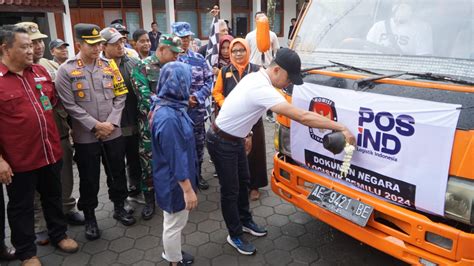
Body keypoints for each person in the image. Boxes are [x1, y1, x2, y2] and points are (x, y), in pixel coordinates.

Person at [206, 48, 356, 255]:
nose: (289, 84)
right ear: (276, 70)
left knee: (244, 181)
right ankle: (235, 234)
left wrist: (246, 133)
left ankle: (246, 221)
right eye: (289, 78)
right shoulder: (262, 88)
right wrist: (339, 127)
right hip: (221, 141)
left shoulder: (256, 77)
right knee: (230, 190)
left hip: (235, 138)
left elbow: (242, 107)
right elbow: (302, 116)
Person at [0, 25, 79, 266]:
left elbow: (54, 103)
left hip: (50, 153)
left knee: (53, 198)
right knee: (21, 208)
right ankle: (27, 252)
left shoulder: (40, 72)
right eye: (24, 46)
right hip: (19, 161)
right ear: (5, 49)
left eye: (32, 45)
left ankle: (59, 235)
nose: (32, 50)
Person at [55, 23, 136, 241]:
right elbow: (69, 105)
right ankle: (90, 217)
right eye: (91, 45)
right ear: (79, 44)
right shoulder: (67, 70)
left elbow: (121, 96)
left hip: (113, 133)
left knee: (117, 173)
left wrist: (110, 123)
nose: (97, 48)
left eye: (99, 43)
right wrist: (95, 125)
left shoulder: (110, 66)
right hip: (86, 137)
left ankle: (119, 207)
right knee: (89, 178)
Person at [15, 22, 85, 247]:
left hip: (56, 135)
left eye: (38, 41)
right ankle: (40, 226)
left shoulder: (43, 70)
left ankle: (66, 211)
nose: (36, 47)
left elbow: (56, 101)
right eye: (30, 43)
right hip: (26, 145)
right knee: (33, 192)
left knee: (61, 180)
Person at [130, 34, 183, 220]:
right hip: (150, 126)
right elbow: (145, 97)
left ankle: (169, 196)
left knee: (171, 160)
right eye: (173, 52)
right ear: (161, 49)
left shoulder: (176, 67)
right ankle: (149, 200)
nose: (177, 56)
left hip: (172, 124)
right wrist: (170, 104)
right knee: (148, 164)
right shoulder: (142, 67)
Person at [151, 61, 198, 266]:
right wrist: (187, 189)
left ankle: (173, 252)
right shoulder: (168, 117)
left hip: (174, 177)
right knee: (174, 223)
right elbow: (175, 156)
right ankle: (173, 260)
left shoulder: (171, 105)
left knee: (173, 221)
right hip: (174, 182)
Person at [212, 38, 266, 201]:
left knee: (255, 152)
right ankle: (238, 185)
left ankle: (254, 186)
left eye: (241, 50)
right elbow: (217, 92)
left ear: (247, 51)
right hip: (233, 121)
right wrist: (224, 103)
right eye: (234, 51)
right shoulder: (224, 71)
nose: (237, 54)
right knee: (234, 151)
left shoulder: (257, 70)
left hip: (253, 118)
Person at [100, 27, 143, 205]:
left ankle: (137, 188)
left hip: (133, 121)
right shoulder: (98, 67)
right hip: (111, 126)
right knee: (115, 165)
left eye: (121, 42)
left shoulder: (134, 63)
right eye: (115, 43)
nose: (120, 46)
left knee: (136, 159)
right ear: (103, 46)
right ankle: (120, 199)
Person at [172, 22, 214, 190]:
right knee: (178, 146)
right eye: (181, 37)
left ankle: (197, 175)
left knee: (198, 144)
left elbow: (209, 81)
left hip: (196, 111)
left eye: (187, 37)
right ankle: (181, 179)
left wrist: (197, 96)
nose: (185, 40)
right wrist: (183, 100)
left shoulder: (198, 59)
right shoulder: (169, 60)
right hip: (176, 112)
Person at [0, 25, 17, 263]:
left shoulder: (35, 73)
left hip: (40, 154)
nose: (33, 49)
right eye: (24, 46)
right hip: (11, 159)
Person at [245, 12, 280, 123]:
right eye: (258, 18)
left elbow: (277, 51)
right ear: (255, 21)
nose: (261, 20)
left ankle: (269, 114)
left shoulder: (272, 35)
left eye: (263, 18)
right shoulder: (250, 36)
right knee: (254, 90)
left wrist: (275, 64)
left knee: (269, 90)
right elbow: (246, 51)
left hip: (268, 66)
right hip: (254, 65)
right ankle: (254, 115)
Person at [366, 1, 433, 55]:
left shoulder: (422, 28)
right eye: (398, 3)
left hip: (405, 69)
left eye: (407, 3)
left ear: (413, 7)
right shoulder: (378, 26)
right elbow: (367, 51)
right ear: (393, 6)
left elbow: (423, 57)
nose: (402, 7)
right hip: (378, 67)